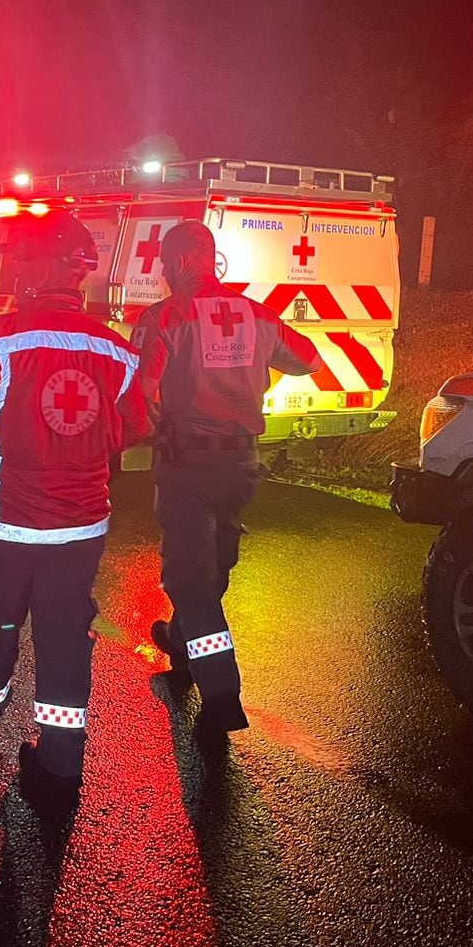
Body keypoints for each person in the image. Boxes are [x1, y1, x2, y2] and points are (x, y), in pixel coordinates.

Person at [0, 211, 148, 797]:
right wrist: (80, 447)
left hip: (5, 520)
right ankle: (62, 757)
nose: (16, 269)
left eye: (23, 260)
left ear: (47, 266)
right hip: (81, 525)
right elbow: (132, 426)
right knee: (66, 631)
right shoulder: (118, 351)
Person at [134, 220, 320, 743]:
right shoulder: (257, 315)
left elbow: (141, 394)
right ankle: (178, 641)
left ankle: (221, 695)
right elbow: (309, 361)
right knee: (209, 570)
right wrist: (252, 376)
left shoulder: (165, 317)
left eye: (166, 263)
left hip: (187, 464)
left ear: (175, 263)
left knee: (192, 582)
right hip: (242, 465)